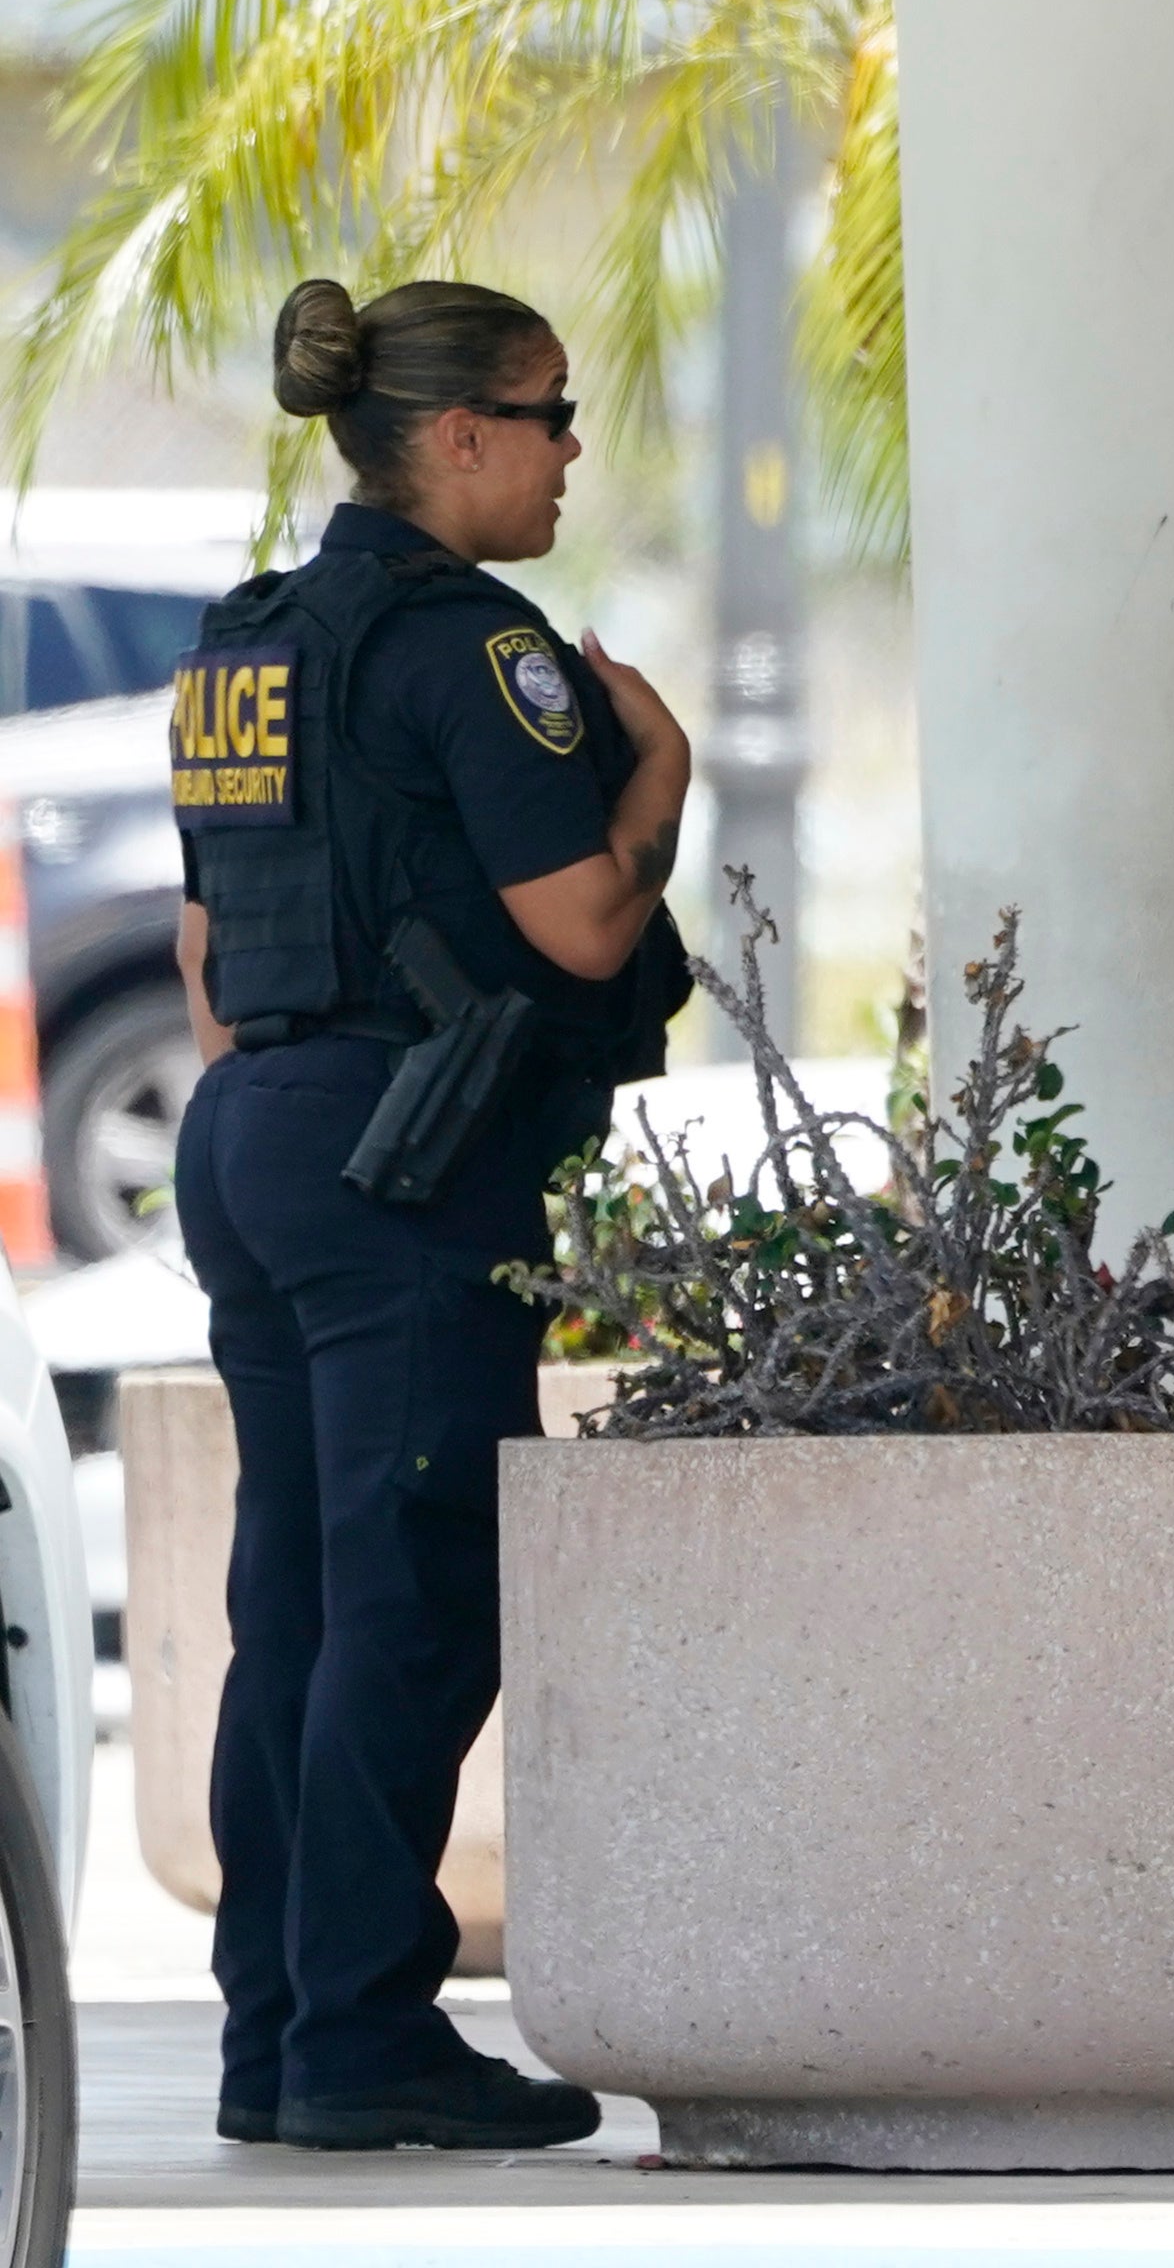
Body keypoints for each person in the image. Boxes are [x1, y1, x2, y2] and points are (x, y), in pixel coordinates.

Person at [172, 277, 693, 2152]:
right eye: (552, 414)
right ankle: (365, 2036)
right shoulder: (478, 646)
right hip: (409, 1153)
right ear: (458, 433)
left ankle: (279, 2034)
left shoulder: (248, 637)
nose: (570, 454)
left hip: (258, 1133)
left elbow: (208, 952)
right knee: (408, 1607)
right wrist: (662, 772)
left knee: (294, 1606)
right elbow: (581, 923)